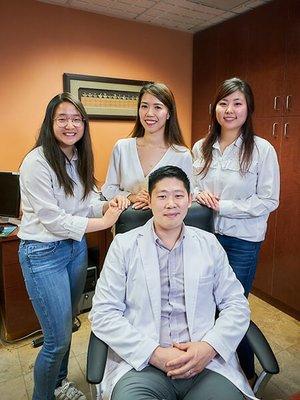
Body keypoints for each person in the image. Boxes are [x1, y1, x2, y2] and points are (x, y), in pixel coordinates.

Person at [90, 165, 258, 400]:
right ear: (148, 201)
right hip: (142, 363)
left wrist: (208, 348)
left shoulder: (209, 244)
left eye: (178, 196)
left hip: (204, 363)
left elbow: (236, 304)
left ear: (189, 200)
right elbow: (103, 313)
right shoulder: (124, 245)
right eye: (162, 196)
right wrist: (154, 353)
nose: (171, 204)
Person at [18, 92, 129, 400]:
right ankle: (44, 395)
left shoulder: (79, 157)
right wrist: (107, 223)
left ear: (84, 124)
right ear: (50, 123)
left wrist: (109, 204)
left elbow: (88, 203)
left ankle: (59, 384)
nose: (70, 125)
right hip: (43, 255)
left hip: (74, 250)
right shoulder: (36, 162)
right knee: (56, 340)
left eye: (76, 119)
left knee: (68, 326)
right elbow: (55, 221)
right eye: (62, 119)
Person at [192, 77, 280, 384]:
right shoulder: (201, 147)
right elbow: (191, 189)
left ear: (248, 108)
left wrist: (222, 206)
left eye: (237, 103)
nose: (229, 110)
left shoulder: (262, 150)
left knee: (232, 308)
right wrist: (197, 197)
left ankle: (245, 372)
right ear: (214, 107)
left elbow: (268, 200)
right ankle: (213, 368)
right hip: (204, 237)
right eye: (223, 103)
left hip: (242, 241)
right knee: (205, 304)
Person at [101, 82, 193, 210]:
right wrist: (132, 197)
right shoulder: (122, 148)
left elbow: (187, 195)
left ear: (168, 113)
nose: (149, 113)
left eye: (157, 107)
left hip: (167, 225)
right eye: (144, 106)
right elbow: (108, 189)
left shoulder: (182, 154)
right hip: (127, 224)